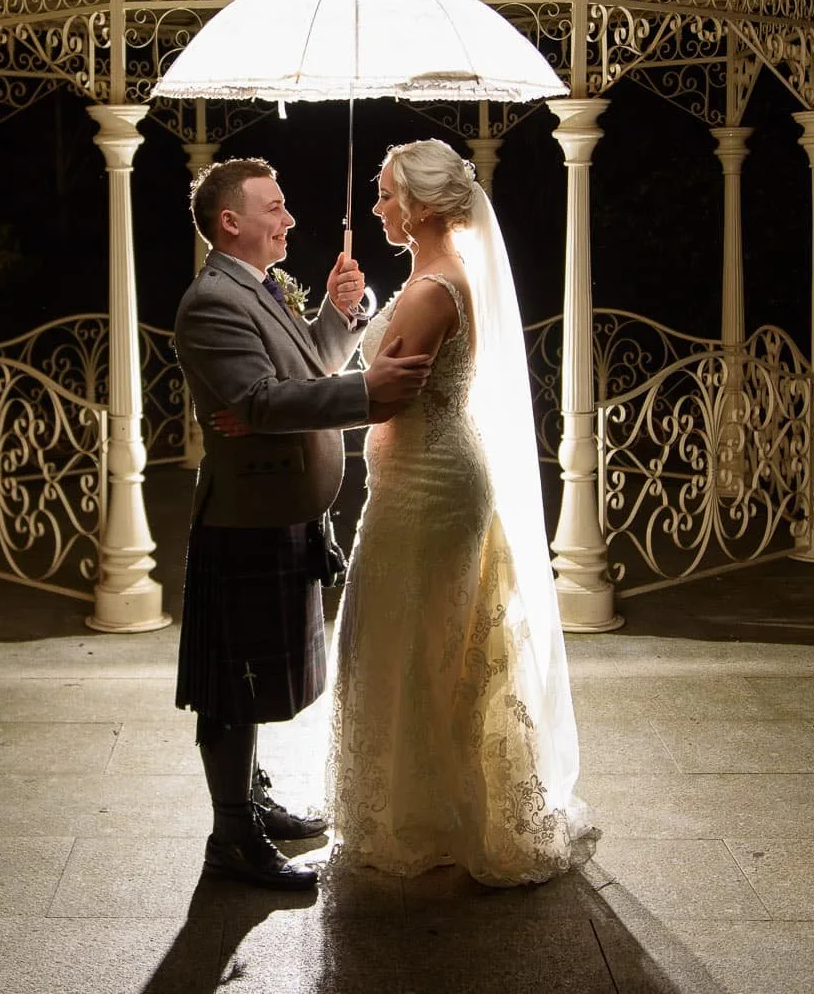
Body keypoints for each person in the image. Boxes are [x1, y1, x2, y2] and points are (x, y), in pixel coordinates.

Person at [217, 139, 591, 887]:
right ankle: (429, 800)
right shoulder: (437, 275)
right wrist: (346, 319)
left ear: (417, 203)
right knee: (421, 639)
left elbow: (388, 396)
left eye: (386, 195)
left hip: (427, 487)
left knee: (407, 640)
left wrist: (267, 414)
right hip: (421, 478)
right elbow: (376, 378)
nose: (378, 207)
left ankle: (427, 813)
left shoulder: (429, 289)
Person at [173, 156, 433, 891]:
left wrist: (338, 316)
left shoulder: (260, 288)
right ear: (232, 222)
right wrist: (367, 391)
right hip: (244, 518)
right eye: (274, 207)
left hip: (284, 507)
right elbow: (260, 400)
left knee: (253, 678)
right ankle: (231, 837)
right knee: (230, 686)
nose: (288, 219)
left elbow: (307, 366)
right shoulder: (211, 302)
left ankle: (249, 803)